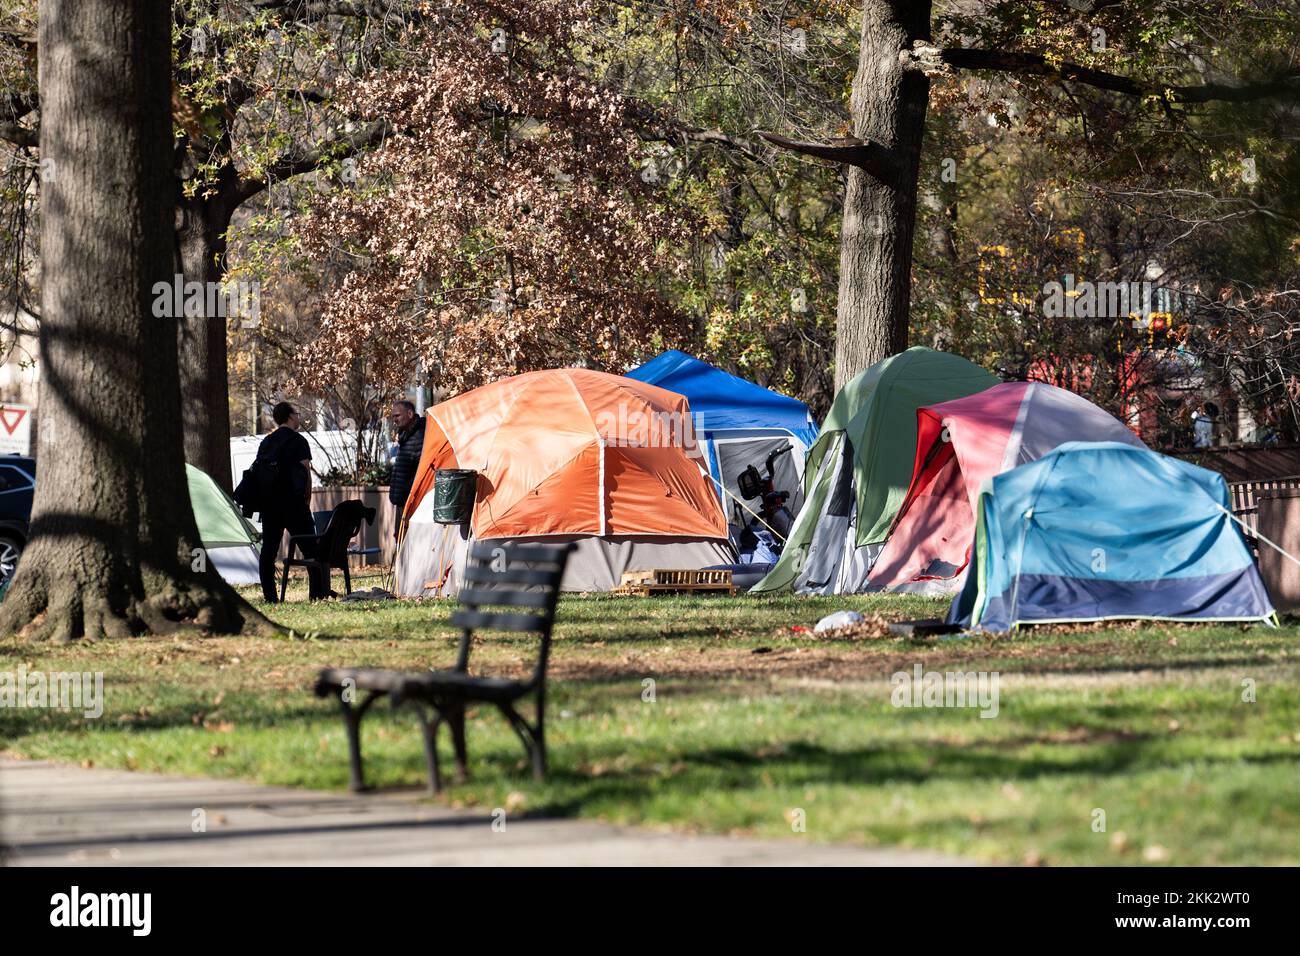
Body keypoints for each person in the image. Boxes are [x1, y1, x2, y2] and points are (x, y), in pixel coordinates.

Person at [257, 402, 326, 602]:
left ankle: (270, 597)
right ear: (289, 417)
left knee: (268, 552)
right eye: (297, 413)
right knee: (310, 550)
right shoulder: (298, 441)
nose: (298, 417)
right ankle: (316, 595)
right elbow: (305, 471)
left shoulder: (267, 442)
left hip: (270, 505)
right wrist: (306, 500)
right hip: (294, 504)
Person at [388, 399, 426, 541]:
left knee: (409, 544)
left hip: (412, 503)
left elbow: (420, 471)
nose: (394, 420)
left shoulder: (419, 436)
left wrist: (408, 491)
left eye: (397, 416)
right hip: (403, 503)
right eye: (393, 417)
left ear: (410, 414)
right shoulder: (406, 437)